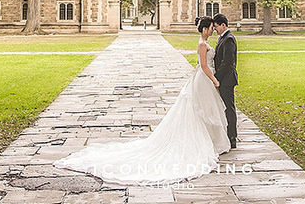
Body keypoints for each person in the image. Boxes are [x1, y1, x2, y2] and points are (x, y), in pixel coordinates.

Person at [54, 17, 230, 185]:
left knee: (204, 110)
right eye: (211, 28)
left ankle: (210, 140)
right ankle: (201, 141)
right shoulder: (201, 44)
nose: (213, 31)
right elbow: (204, 65)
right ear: (205, 29)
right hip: (204, 79)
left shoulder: (205, 43)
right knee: (198, 109)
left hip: (204, 79)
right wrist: (214, 80)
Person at [212, 13, 238, 149]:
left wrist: (216, 77)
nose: (215, 30)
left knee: (229, 108)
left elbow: (227, 62)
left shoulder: (229, 39)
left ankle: (232, 137)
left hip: (227, 79)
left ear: (223, 25)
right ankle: (227, 135)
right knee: (225, 108)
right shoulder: (223, 38)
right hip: (223, 79)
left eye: (216, 27)